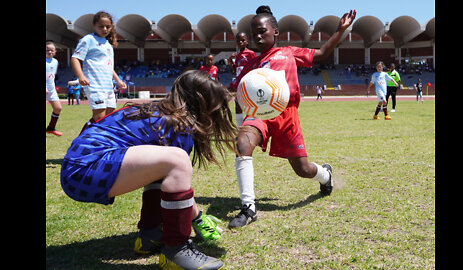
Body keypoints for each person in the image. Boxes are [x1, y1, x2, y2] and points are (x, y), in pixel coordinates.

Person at [60, 70, 237, 270]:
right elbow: (177, 177)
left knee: (163, 166)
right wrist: (197, 218)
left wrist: (196, 216)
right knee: (177, 161)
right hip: (86, 169)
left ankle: (150, 235)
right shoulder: (177, 124)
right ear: (201, 104)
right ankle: (176, 250)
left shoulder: (158, 112)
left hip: (77, 169)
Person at [228, 5, 356, 228]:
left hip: (287, 115)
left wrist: (340, 29)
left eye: (262, 31)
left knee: (303, 170)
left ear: (275, 32)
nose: (257, 36)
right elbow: (234, 89)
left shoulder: (288, 52)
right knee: (242, 143)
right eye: (253, 33)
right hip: (259, 114)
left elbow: (322, 54)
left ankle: (326, 175)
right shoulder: (251, 65)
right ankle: (248, 208)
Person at [71, 11, 126, 133]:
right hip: (94, 84)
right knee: (100, 117)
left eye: (108, 26)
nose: (105, 29)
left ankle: (94, 140)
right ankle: (80, 142)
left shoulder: (108, 44)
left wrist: (118, 81)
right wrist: (81, 76)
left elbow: (109, 66)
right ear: (94, 26)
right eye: (101, 26)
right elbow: (75, 58)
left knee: (107, 117)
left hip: (108, 86)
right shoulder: (88, 39)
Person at [229, 32, 257, 126]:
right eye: (238, 40)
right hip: (239, 84)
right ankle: (240, 129)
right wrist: (231, 62)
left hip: (249, 84)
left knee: (250, 106)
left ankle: (252, 128)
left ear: (247, 41)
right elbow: (235, 71)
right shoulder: (237, 56)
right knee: (238, 106)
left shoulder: (250, 53)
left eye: (243, 40)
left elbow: (256, 67)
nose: (240, 42)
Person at [46, 40, 63, 136]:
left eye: (52, 50)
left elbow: (52, 76)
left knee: (58, 108)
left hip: (51, 90)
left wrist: (52, 87)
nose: (49, 52)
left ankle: (51, 128)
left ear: (55, 51)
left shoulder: (55, 62)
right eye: (47, 50)